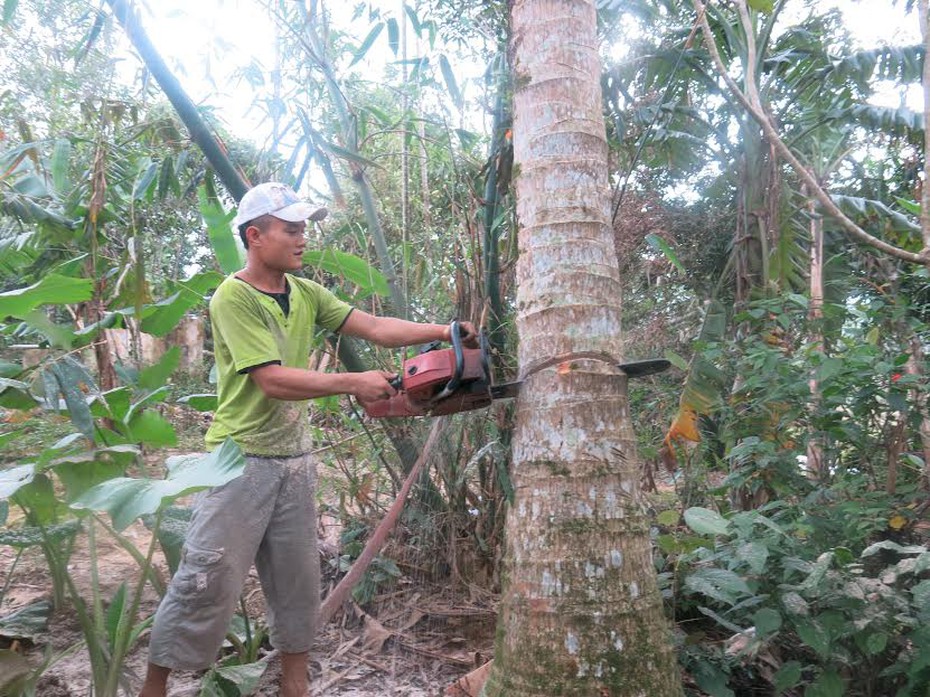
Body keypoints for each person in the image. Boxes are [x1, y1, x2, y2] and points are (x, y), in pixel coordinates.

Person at [139, 182, 477, 697]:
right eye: (291, 229)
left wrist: (448, 329)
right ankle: (155, 689)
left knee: (298, 586)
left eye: (304, 230)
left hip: (295, 461)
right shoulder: (234, 296)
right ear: (255, 236)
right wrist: (354, 382)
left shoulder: (305, 292)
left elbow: (376, 326)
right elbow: (272, 380)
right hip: (240, 461)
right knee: (204, 581)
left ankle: (294, 689)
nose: (302, 240)